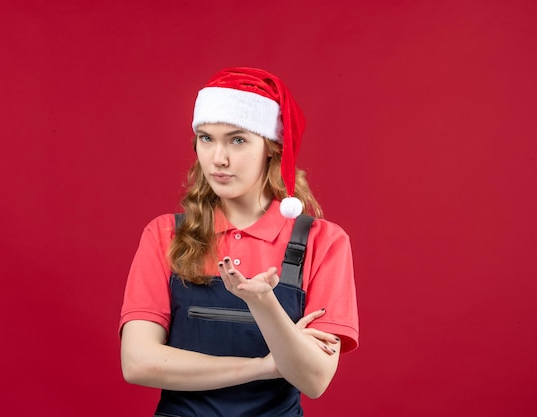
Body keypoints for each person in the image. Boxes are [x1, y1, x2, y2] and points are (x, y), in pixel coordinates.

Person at [119, 67, 359, 417]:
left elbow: (314, 378)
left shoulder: (323, 242)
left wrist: (263, 302)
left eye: (238, 140)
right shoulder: (165, 235)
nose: (218, 158)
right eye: (206, 138)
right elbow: (138, 363)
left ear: (272, 149)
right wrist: (266, 366)